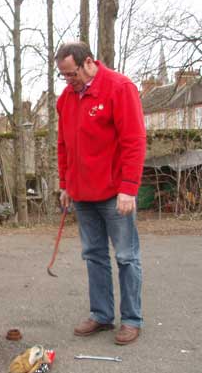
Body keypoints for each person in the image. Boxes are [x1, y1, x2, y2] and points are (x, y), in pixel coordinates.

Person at [55, 42, 146, 345]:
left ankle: (131, 319)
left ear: (89, 62)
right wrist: (65, 183)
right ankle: (101, 315)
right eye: (64, 76)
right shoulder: (66, 98)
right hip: (82, 195)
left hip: (114, 194)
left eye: (71, 74)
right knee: (94, 256)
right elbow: (64, 144)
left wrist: (129, 189)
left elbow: (134, 141)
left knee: (125, 256)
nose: (69, 81)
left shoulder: (120, 88)